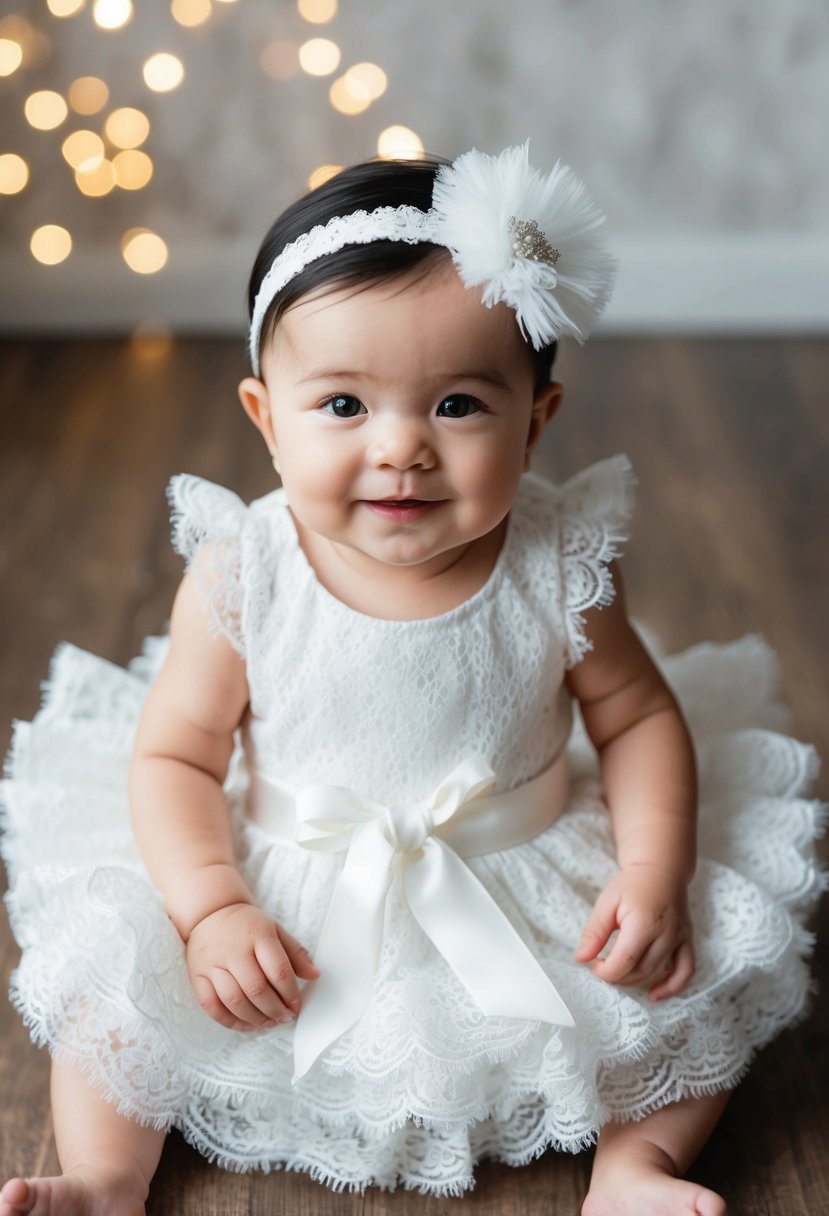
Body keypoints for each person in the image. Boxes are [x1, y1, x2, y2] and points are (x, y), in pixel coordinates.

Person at [0, 143, 823, 1216]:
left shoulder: (558, 560)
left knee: (685, 983)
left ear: (538, 419)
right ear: (265, 416)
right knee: (115, 995)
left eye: (458, 406)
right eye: (342, 404)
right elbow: (173, 754)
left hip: (521, 874)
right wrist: (209, 910)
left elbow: (634, 715)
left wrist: (652, 869)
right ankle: (108, 1175)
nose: (400, 449)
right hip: (281, 891)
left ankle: (636, 1164)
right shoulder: (244, 570)